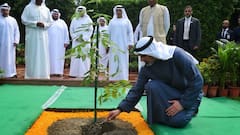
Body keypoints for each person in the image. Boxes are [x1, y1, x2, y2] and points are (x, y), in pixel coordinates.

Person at [107, 36, 203, 128]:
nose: (141, 59)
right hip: (170, 94)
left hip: (189, 94)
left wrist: (182, 103)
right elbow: (137, 89)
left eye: (143, 56)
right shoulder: (146, 69)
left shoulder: (177, 55)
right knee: (152, 86)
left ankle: (191, 108)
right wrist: (120, 109)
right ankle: (170, 114)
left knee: (178, 121)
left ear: (152, 53)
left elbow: (197, 80)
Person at [21, 0, 52, 79]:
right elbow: (24, 20)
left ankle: (44, 75)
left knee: (43, 54)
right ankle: (31, 75)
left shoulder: (46, 9)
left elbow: (50, 22)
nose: (40, 1)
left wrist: (44, 25)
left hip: (43, 36)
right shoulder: (28, 8)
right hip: (32, 36)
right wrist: (35, 23)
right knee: (32, 54)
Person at [108, 5, 134, 81]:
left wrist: (130, 43)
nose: (118, 12)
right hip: (113, 45)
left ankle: (123, 77)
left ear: (122, 11)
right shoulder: (112, 22)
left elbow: (130, 33)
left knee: (123, 60)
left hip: (124, 45)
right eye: (117, 10)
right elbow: (108, 33)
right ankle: (113, 77)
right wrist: (108, 44)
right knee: (113, 60)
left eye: (120, 10)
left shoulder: (126, 21)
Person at [69, 6, 93, 78]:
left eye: (81, 11)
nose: (80, 12)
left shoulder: (88, 20)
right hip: (76, 41)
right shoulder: (74, 20)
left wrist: (84, 38)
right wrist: (76, 37)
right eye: (79, 11)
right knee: (76, 56)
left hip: (85, 42)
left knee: (85, 57)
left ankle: (85, 73)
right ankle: (74, 73)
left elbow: (90, 30)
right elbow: (71, 29)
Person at [0, 3, 20, 78]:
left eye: (6, 10)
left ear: (9, 11)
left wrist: (16, 41)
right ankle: (1, 73)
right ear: (1, 10)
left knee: (11, 58)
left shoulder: (13, 20)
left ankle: (11, 73)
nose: (5, 12)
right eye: (3, 10)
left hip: (10, 44)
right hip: (1, 43)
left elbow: (16, 31)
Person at [48, 9, 69, 77]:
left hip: (60, 44)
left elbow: (66, 32)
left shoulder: (62, 22)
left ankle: (59, 72)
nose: (55, 15)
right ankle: (50, 72)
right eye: (54, 14)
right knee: (50, 57)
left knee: (60, 57)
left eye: (57, 14)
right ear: (51, 15)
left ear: (59, 15)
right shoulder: (48, 22)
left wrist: (66, 41)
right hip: (50, 44)